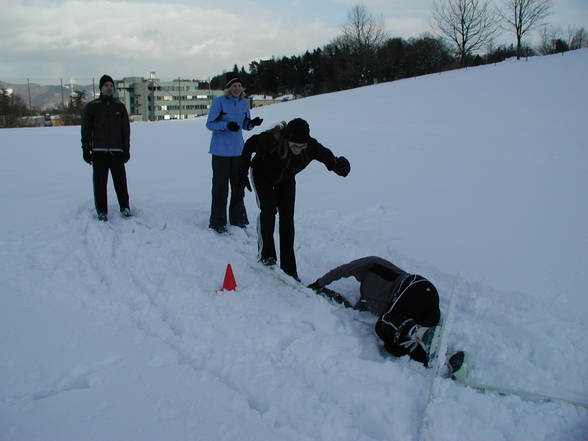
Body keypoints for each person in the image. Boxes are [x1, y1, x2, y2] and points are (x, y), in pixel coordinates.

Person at [308, 256, 466, 376]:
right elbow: (355, 308)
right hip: (424, 306)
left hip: (412, 287)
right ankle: (442, 360)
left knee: (383, 324)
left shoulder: (371, 263)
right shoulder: (366, 298)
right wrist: (330, 295)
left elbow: (341, 271)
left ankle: (421, 333)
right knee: (393, 344)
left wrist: (319, 283)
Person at [238, 118, 351, 281]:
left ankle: (289, 268)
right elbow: (249, 144)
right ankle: (266, 255)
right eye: (294, 145)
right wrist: (241, 175)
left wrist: (338, 166)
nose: (298, 149)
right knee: (268, 210)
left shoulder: (311, 146)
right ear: (287, 139)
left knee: (287, 220)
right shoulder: (272, 140)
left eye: (301, 146)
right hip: (262, 175)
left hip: (287, 179)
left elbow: (327, 156)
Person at [206, 74, 263, 233]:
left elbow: (245, 124)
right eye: (233, 86)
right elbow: (210, 124)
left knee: (238, 186)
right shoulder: (219, 102)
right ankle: (217, 221)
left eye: (239, 86)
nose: (237, 89)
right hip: (220, 151)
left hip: (239, 150)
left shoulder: (244, 103)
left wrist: (252, 123)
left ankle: (238, 219)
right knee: (220, 187)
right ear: (228, 88)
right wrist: (226, 125)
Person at [81, 74, 131, 222]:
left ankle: (125, 207)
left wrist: (126, 149)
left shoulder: (119, 107)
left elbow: (125, 131)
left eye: (111, 86)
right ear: (101, 88)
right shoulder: (92, 107)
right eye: (106, 86)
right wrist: (85, 149)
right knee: (100, 184)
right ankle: (102, 211)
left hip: (117, 152)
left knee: (121, 182)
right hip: (99, 152)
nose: (109, 88)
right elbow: (86, 129)